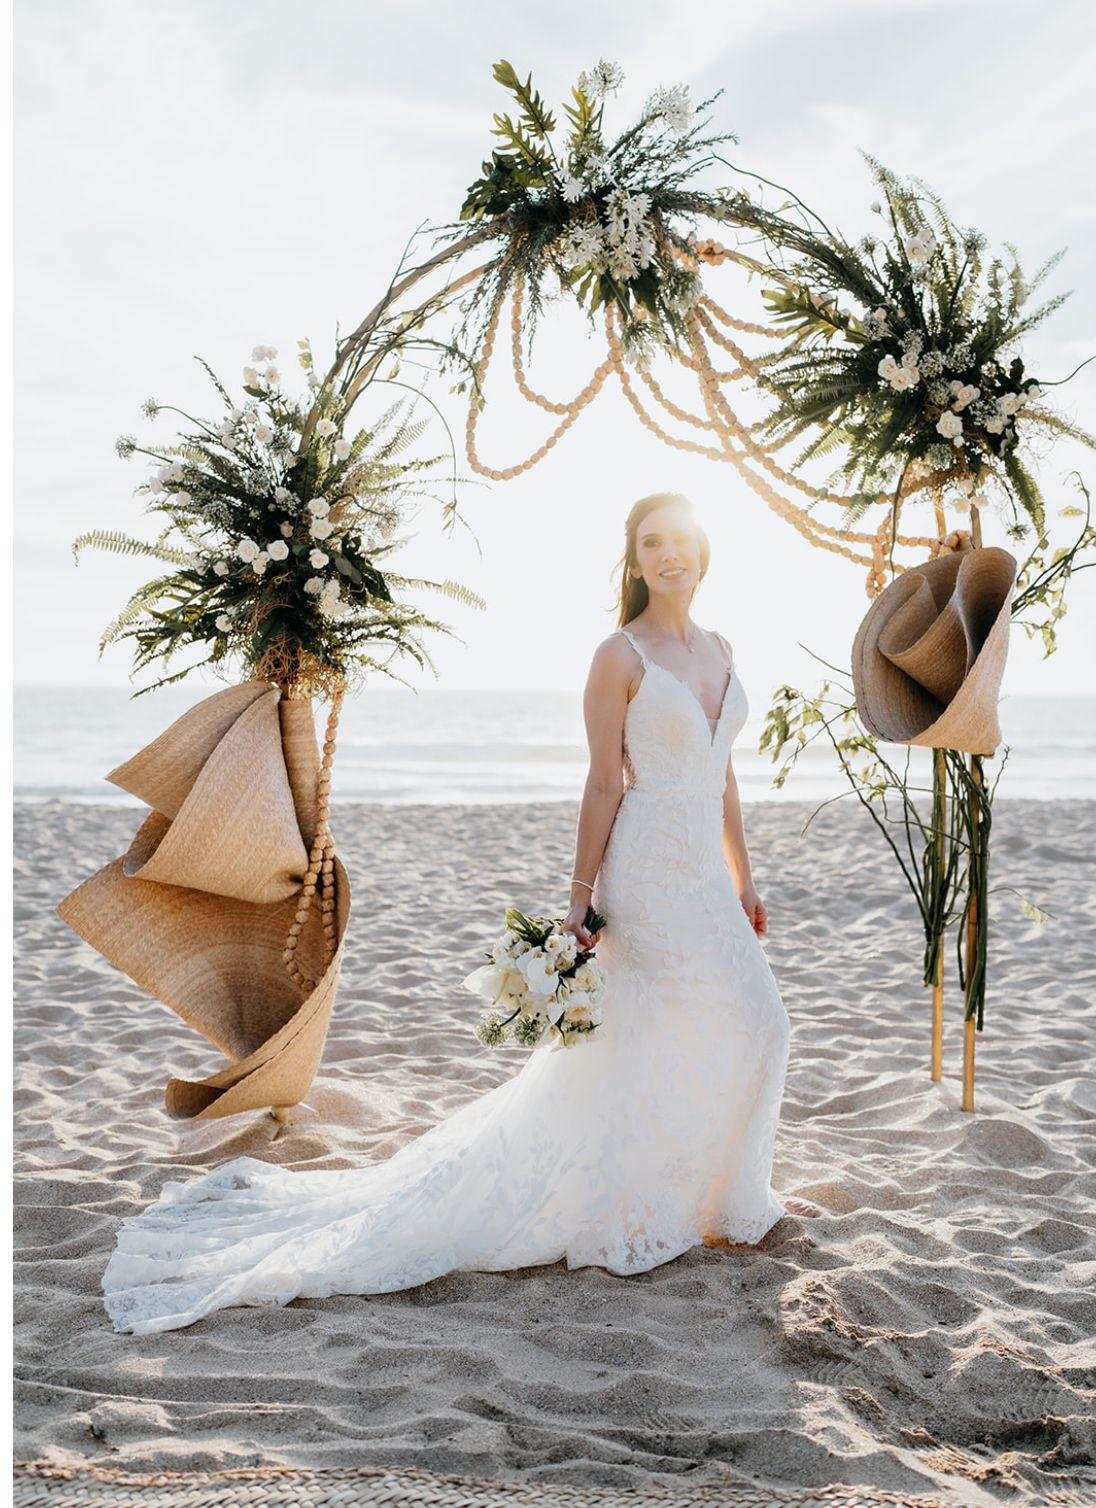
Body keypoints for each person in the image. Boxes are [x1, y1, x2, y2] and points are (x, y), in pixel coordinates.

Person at [101, 490, 818, 1337]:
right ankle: (639, 1200)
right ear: (633, 562)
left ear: (704, 549)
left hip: (707, 872)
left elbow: (724, 775)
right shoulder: (617, 655)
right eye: (651, 543)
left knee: (754, 1024)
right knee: (661, 1032)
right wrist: (580, 899)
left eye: (681, 539)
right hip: (648, 871)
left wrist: (746, 878)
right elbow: (600, 783)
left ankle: (710, 1190)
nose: (670, 555)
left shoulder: (722, 648)